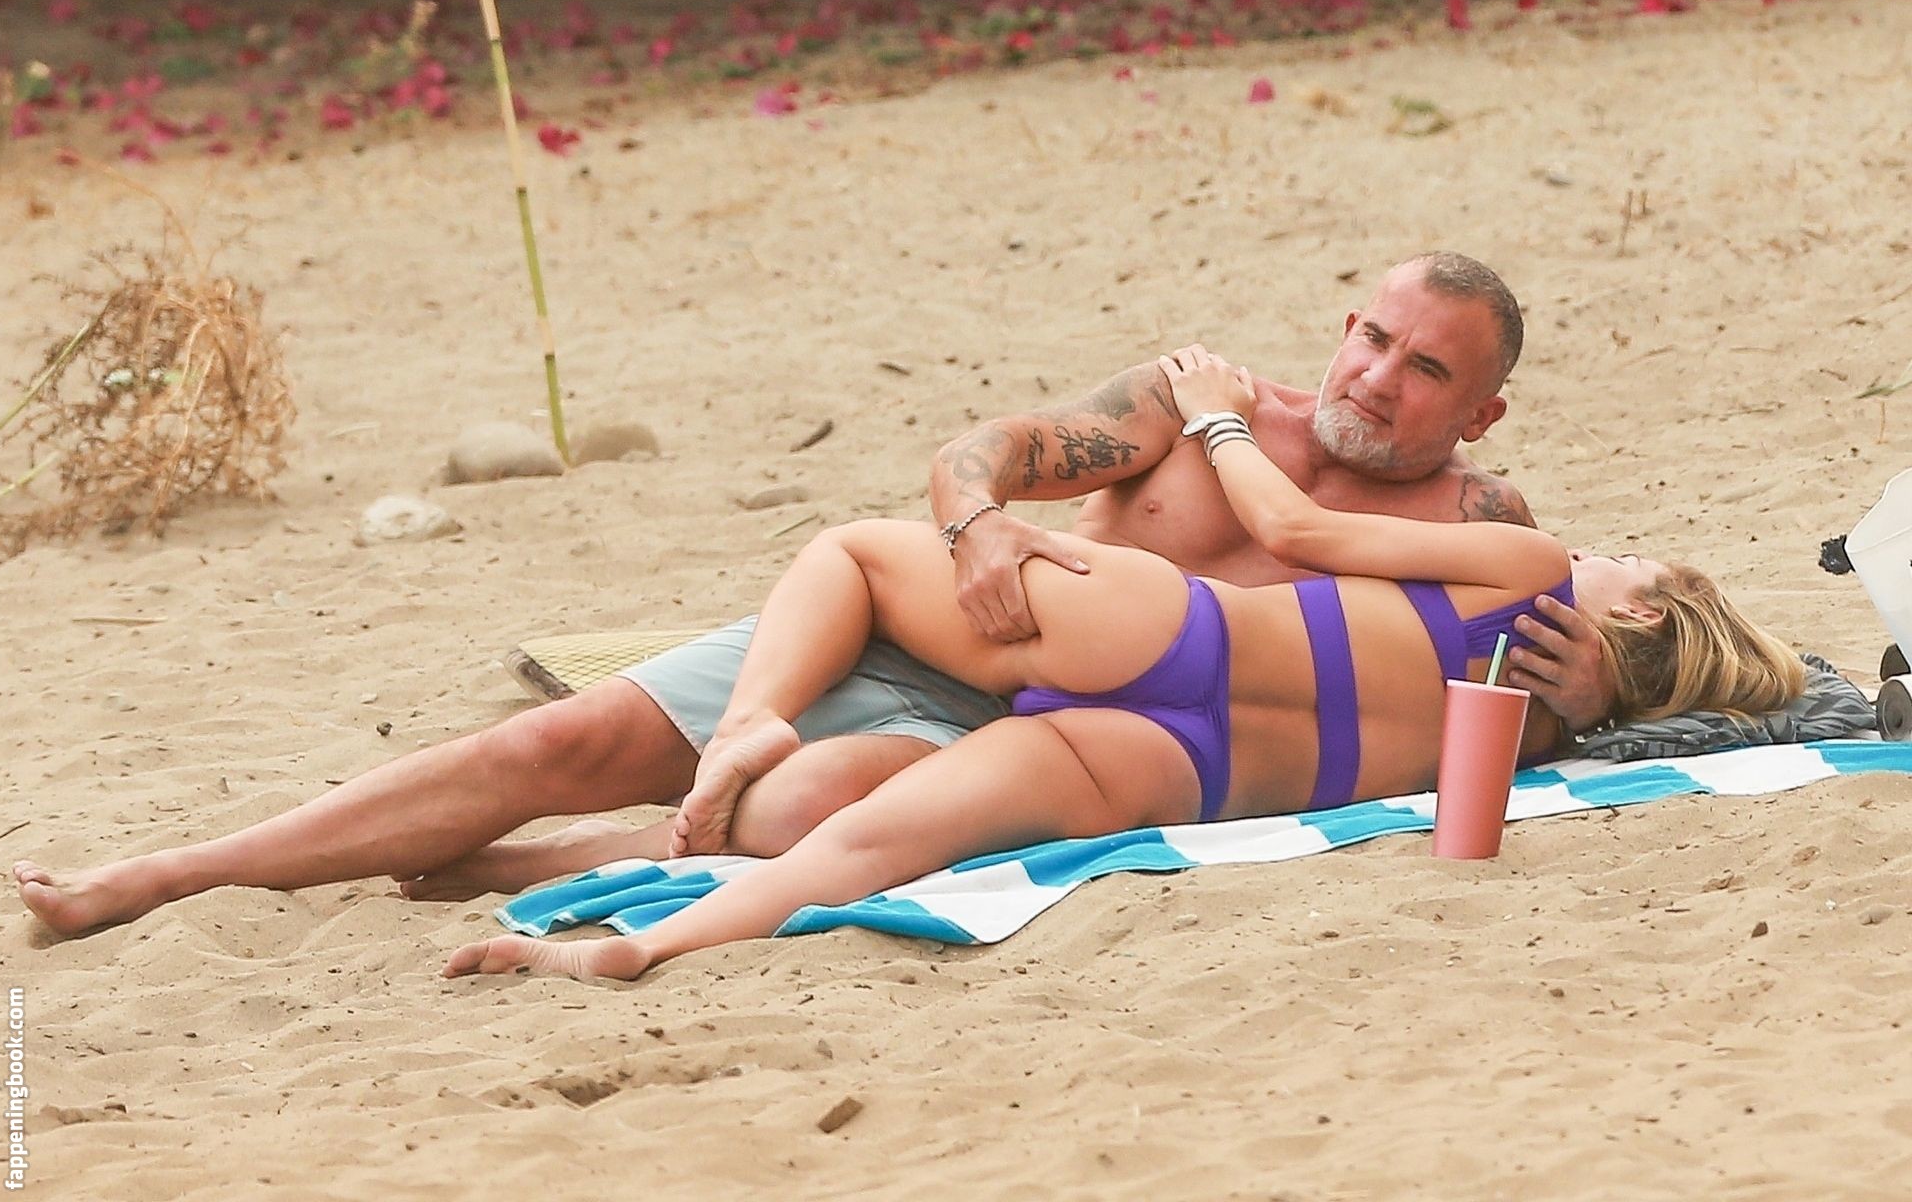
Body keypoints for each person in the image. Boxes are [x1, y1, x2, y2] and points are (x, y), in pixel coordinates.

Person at [12, 252, 1605, 936]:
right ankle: (164, 875)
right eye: (1371, 338)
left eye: (1426, 370)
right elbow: (976, 452)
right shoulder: (1199, 406)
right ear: (1342, 325)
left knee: (806, 811)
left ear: (1482, 411)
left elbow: (1562, 680)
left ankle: (517, 865)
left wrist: (1583, 689)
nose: (1376, 378)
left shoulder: (1479, 520)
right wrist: (978, 525)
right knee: (561, 740)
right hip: (940, 628)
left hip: (1050, 735)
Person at [441, 346, 1803, 981]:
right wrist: (1598, 711)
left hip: (1175, 634)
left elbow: (1295, 531)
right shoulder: (1533, 729)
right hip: (1186, 771)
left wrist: (1216, 422)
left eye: (1638, 558)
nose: (1610, 548)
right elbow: (1492, 817)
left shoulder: (1528, 563)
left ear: (1643, 609)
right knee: (868, 847)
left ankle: (749, 723)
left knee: (854, 553)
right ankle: (640, 949)